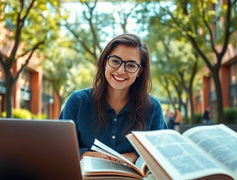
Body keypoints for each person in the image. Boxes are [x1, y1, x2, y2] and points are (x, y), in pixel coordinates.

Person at [59, 34, 166, 163]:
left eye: (131, 65)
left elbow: (160, 152)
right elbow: (59, 148)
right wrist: (86, 154)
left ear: (139, 72)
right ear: (105, 62)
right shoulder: (78, 101)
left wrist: (136, 156)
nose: (121, 70)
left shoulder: (153, 108)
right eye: (115, 61)